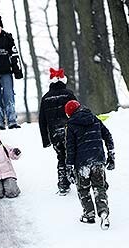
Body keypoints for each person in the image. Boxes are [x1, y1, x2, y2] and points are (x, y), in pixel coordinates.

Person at [64, 100, 115, 230]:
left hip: (82, 164)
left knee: (83, 189)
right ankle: (103, 212)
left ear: (69, 114)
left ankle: (89, 214)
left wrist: (69, 167)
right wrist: (111, 155)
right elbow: (108, 136)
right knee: (99, 187)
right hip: (98, 160)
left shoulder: (71, 125)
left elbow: (70, 149)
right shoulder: (94, 119)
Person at [38, 67, 78, 195]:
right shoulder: (69, 94)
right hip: (70, 132)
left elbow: (42, 121)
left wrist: (46, 140)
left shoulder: (46, 98)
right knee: (73, 155)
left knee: (61, 157)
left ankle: (63, 184)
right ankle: (77, 179)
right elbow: (77, 112)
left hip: (55, 134)